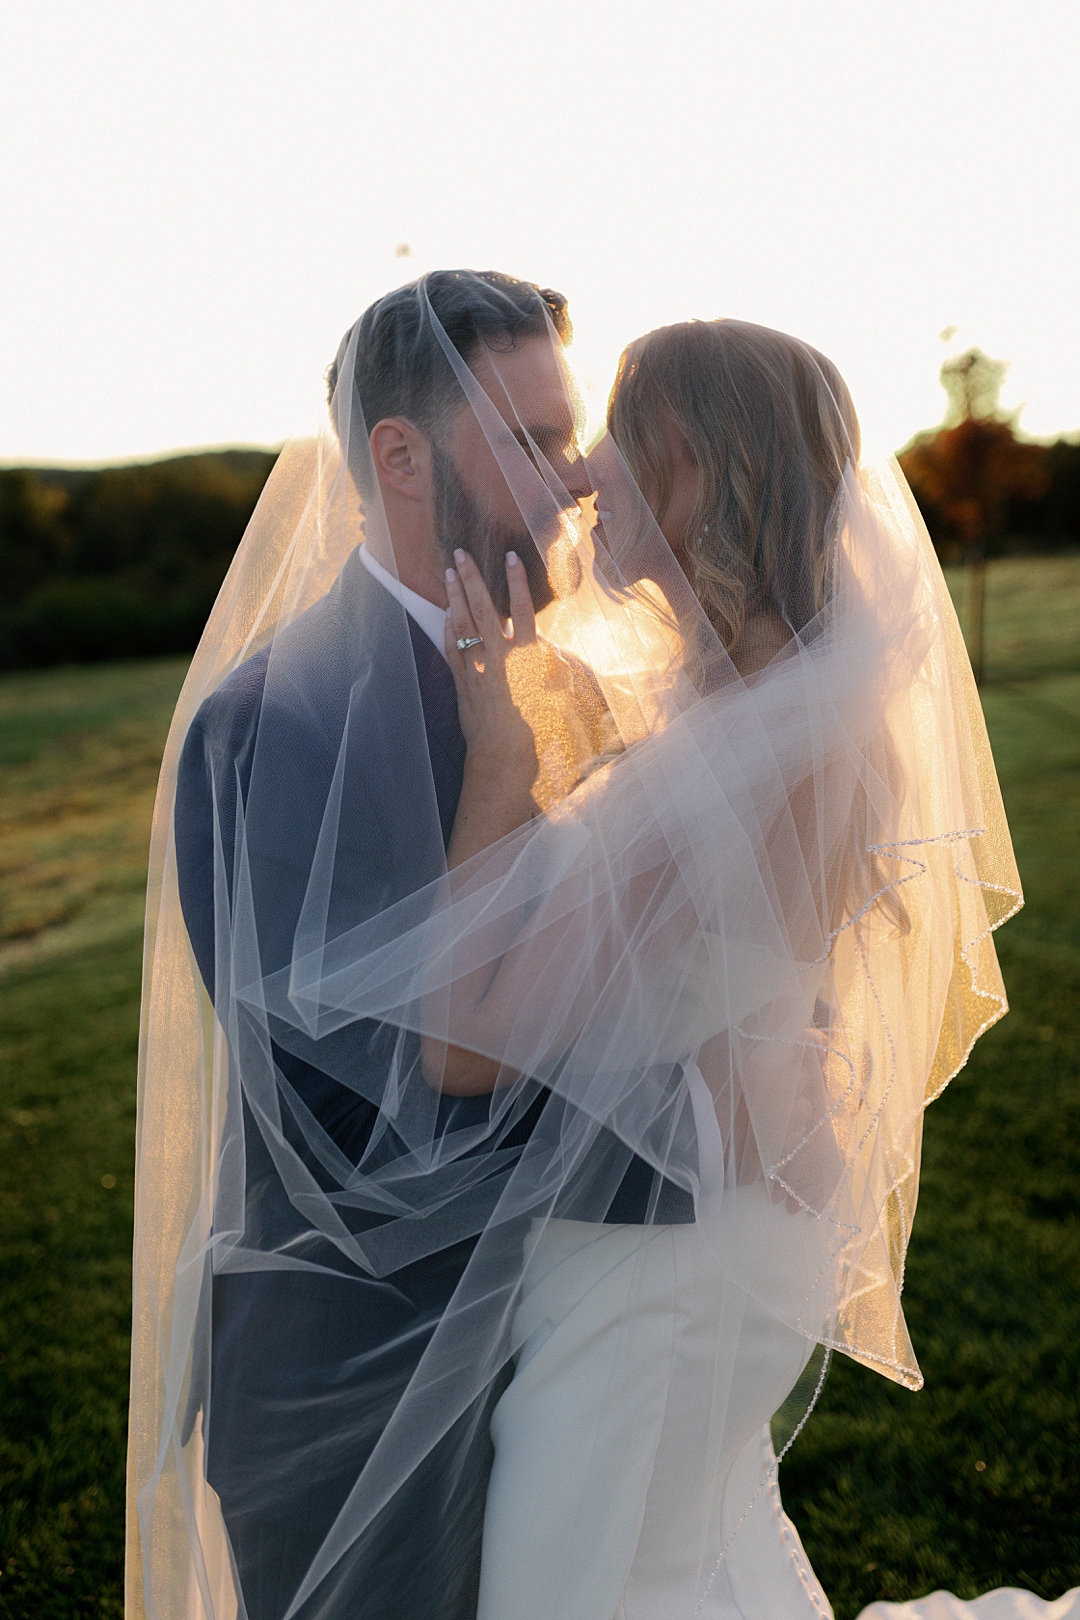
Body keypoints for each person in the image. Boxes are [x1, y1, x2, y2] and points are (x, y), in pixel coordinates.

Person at [409, 319, 1024, 1619]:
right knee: (695, 1559)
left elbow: (463, 1046)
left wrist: (498, 761)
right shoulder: (798, 703)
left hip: (666, 1264)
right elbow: (765, 958)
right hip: (738, 1221)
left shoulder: (729, 754)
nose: (585, 475)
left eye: (612, 441)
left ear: (684, 461)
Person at [128, 271, 692, 1620]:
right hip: (353, 1396)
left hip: (570, 1362)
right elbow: (353, 1128)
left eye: (570, 440)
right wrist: (697, 1134)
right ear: (400, 456)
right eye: (532, 444)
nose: (575, 483)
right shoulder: (273, 723)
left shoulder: (567, 681)